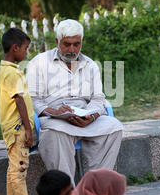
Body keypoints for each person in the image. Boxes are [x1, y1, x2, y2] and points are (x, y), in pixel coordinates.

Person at [26, 19, 124, 185]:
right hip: (55, 118)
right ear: (57, 42)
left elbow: (98, 98)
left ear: (81, 42)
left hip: (85, 116)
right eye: (67, 44)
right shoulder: (39, 63)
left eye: (76, 44)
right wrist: (54, 112)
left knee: (113, 127)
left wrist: (91, 116)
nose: (72, 49)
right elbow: (32, 98)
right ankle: (66, 191)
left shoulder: (90, 65)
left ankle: (96, 186)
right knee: (53, 134)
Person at [0, 28, 38, 195]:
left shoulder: (6, 69)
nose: (26, 53)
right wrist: (28, 130)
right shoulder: (11, 73)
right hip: (18, 127)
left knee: (12, 166)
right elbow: (19, 100)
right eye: (25, 49)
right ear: (15, 48)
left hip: (11, 127)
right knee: (20, 166)